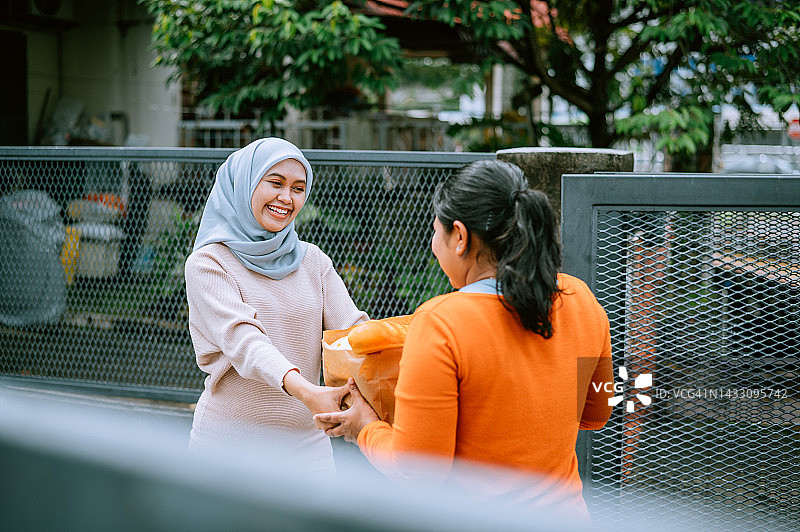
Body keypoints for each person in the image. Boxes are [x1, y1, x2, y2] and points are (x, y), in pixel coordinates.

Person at [315, 159, 613, 516]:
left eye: (435, 231)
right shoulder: (582, 300)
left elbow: (418, 470)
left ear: (459, 236)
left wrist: (365, 426)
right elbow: (596, 414)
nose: (432, 244)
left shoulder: (440, 322)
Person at [184, 138, 367, 474]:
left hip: (307, 449)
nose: (287, 198)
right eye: (275, 183)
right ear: (244, 184)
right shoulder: (208, 263)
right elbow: (245, 343)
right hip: (227, 449)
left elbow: (354, 332)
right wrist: (309, 392)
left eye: (298, 188)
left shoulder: (313, 261)